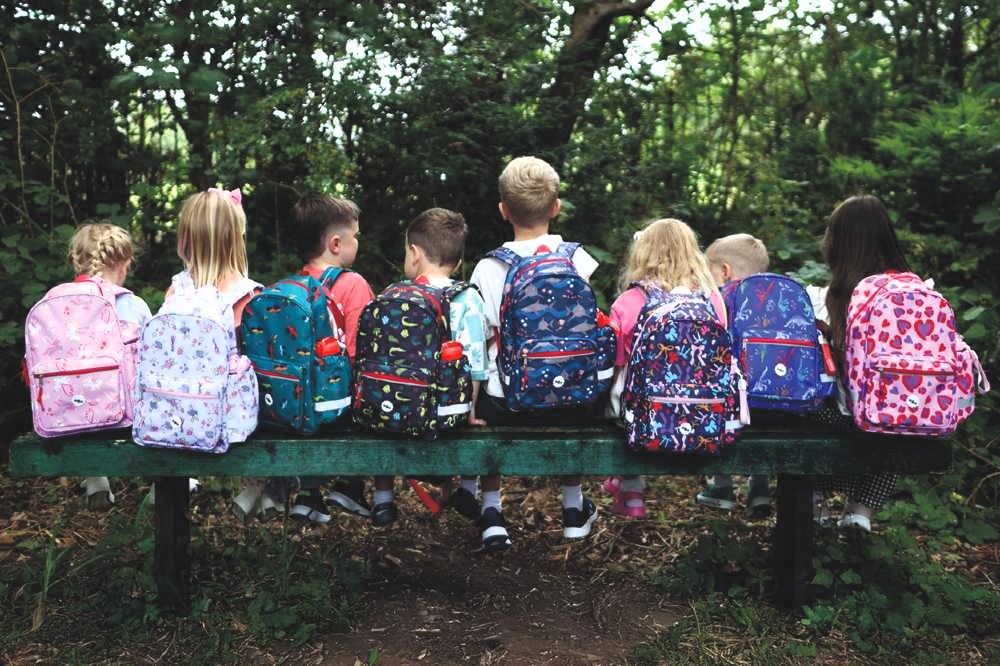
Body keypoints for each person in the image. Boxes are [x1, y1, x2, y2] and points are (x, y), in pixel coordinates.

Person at [471, 156, 603, 552]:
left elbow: (481, 339)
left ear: (503, 210)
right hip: (573, 399)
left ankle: (492, 513)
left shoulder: (489, 266)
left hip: (507, 401)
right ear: (556, 207)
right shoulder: (578, 259)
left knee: (490, 404)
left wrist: (473, 402)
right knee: (571, 393)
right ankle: (573, 507)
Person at [368, 207, 490, 524]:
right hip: (445, 414)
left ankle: (382, 500)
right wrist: (468, 411)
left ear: (414, 253)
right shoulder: (468, 299)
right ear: (458, 263)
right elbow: (475, 363)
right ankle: (467, 490)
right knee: (474, 427)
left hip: (393, 409)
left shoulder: (394, 296)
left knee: (381, 425)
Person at [603, 219, 727, 518]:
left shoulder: (630, 300)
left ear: (641, 253)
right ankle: (628, 483)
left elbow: (616, 362)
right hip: (704, 411)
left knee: (617, 392)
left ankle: (630, 484)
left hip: (640, 413)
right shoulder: (712, 300)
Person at [813, 194, 908, 531]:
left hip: (840, 419)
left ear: (839, 241)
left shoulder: (831, 297)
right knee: (896, 419)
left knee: (807, 406)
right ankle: (860, 510)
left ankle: (813, 499)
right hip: (897, 417)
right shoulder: (910, 290)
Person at [285, 193, 377, 524]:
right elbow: (359, 352)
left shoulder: (293, 286)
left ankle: (308, 495)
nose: (358, 242)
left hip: (297, 406)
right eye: (356, 236)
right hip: (341, 408)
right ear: (336, 244)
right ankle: (350, 486)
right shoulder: (354, 285)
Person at [66, 223, 152, 510]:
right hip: (128, 418)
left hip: (72, 416)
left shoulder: (59, 303)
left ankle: (96, 479)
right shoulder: (133, 305)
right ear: (124, 263)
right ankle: (166, 483)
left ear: (77, 261)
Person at [695, 233, 772, 518]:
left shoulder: (719, 298)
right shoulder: (776, 297)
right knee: (764, 420)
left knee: (713, 401)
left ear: (725, 271)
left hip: (729, 401)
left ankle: (722, 486)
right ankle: (760, 488)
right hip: (772, 399)